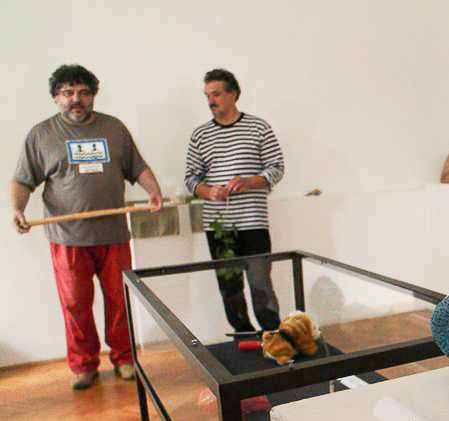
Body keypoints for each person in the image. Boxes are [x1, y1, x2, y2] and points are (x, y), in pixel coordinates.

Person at [10, 64, 163, 390]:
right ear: (56, 97)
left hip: (113, 235)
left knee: (119, 301)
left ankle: (124, 359)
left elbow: (137, 167)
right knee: (75, 305)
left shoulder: (114, 128)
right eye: (68, 93)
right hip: (67, 238)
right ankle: (83, 365)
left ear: (93, 95)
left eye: (82, 92)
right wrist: (16, 209)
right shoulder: (41, 135)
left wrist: (154, 190)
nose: (75, 99)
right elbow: (22, 180)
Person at [185, 69, 283, 333]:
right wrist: (208, 192)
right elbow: (191, 179)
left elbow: (276, 167)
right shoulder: (200, 135)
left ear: (234, 94)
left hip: (253, 222)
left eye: (216, 94)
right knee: (229, 287)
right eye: (207, 95)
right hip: (218, 226)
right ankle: (243, 336)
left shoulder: (259, 127)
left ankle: (274, 336)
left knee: (260, 283)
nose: (211, 101)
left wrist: (250, 181)